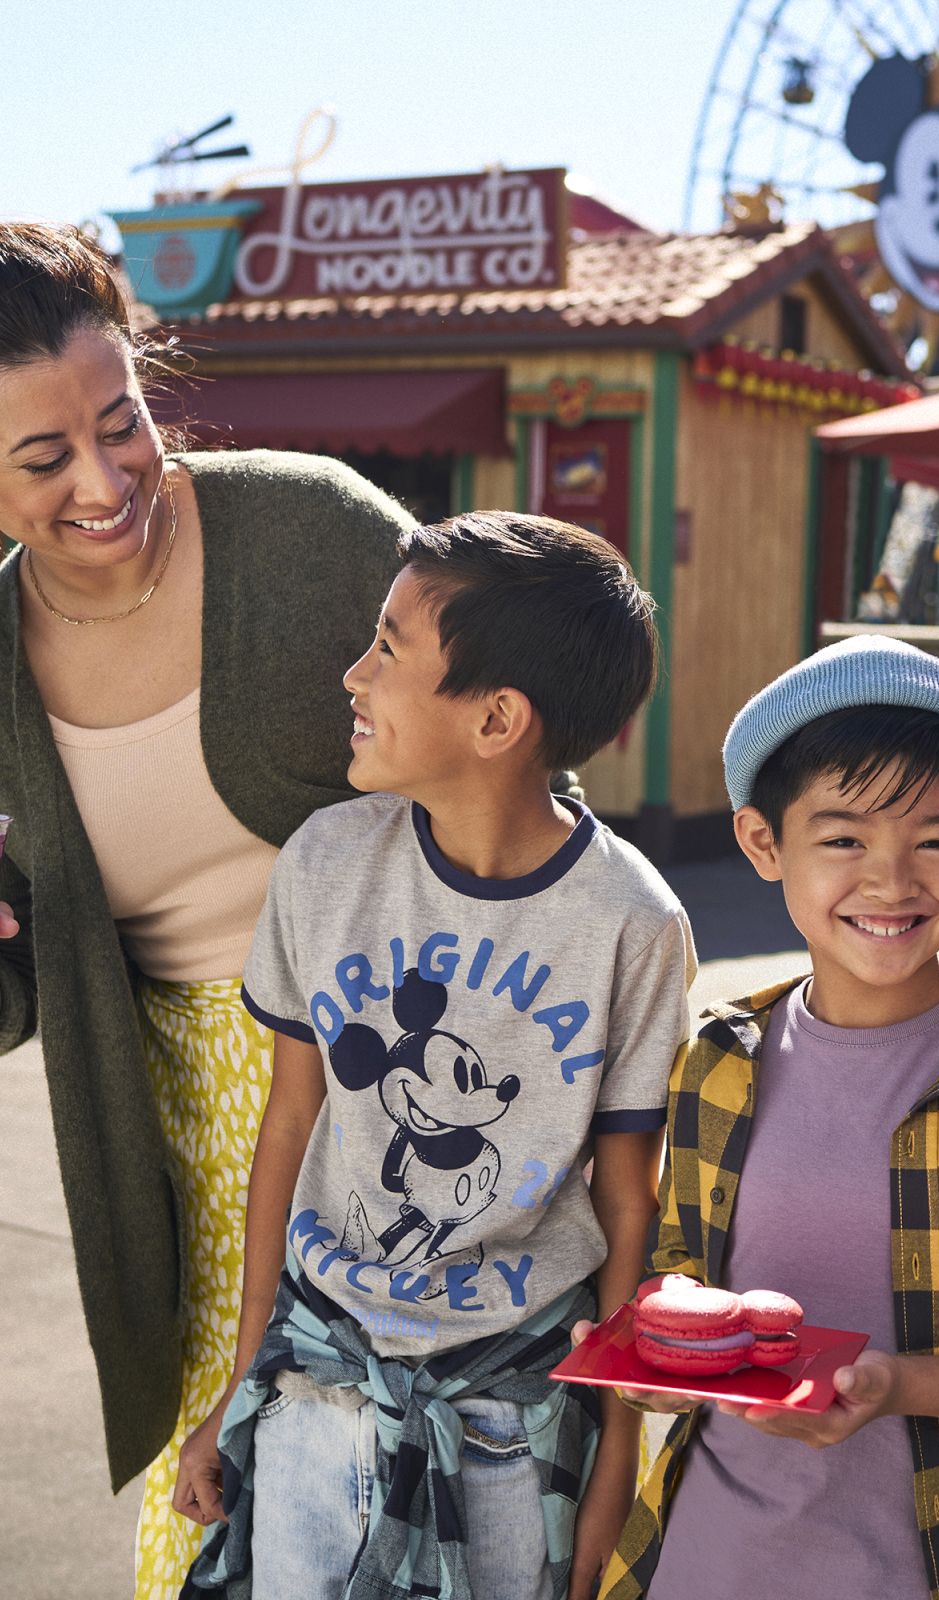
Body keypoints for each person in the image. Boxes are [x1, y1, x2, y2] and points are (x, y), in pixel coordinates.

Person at [0, 220, 416, 1598]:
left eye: (121, 424)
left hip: (418, 1092)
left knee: (433, 1514)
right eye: (42, 459)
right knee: (225, 1516)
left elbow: (524, 752)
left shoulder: (312, 527)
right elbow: (19, 972)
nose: (108, 479)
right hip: (178, 1134)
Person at [171, 510, 695, 1600]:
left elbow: (629, 1204)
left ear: (499, 717)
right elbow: (291, 1121)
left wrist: (612, 1473)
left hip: (515, 1410)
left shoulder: (631, 921)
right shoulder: (325, 865)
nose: (354, 675)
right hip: (319, 1381)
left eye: (390, 648)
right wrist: (243, 1379)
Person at [594, 636, 939, 1600]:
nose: (890, 881)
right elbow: (680, 1273)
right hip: (706, 1559)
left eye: (934, 837)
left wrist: (895, 1385)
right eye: (843, 839)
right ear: (764, 843)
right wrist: (656, 1353)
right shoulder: (718, 1058)